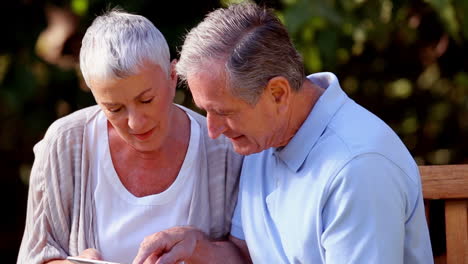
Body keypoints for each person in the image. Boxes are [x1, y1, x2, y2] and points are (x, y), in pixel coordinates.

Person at [132, 2, 434, 264]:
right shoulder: (264, 136)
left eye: (224, 112)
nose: (213, 130)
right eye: (206, 111)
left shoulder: (358, 169)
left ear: (277, 93)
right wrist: (195, 247)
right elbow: (247, 256)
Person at [17, 9, 243, 264]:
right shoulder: (64, 143)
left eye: (146, 100)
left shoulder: (223, 149)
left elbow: (251, 256)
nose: (135, 122)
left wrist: (199, 249)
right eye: (114, 108)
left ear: (172, 77)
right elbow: (33, 257)